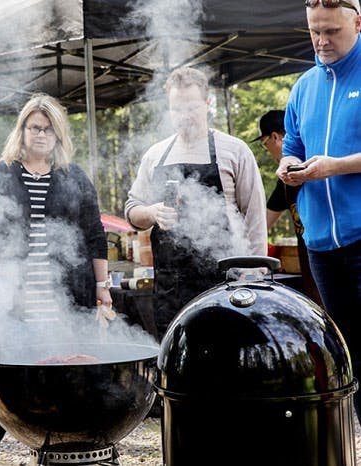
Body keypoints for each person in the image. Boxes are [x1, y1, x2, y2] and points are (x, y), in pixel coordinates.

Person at [0, 93, 111, 466]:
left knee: (69, 368)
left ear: (58, 135)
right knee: (1, 370)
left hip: (67, 294)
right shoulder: (0, 174)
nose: (41, 134)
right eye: (34, 127)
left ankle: (73, 442)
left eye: (48, 129)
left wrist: (102, 288)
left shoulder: (74, 176)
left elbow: (95, 234)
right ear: (22, 131)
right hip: (13, 294)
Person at [125, 67, 267, 339]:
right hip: (170, 289)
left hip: (225, 285)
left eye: (191, 107)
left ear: (207, 104)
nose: (184, 116)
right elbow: (132, 210)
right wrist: (152, 213)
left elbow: (254, 215)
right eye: (177, 109)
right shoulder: (155, 156)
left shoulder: (234, 150)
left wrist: (254, 275)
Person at [276, 0, 361, 424]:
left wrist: (336, 166)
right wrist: (287, 167)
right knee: (348, 352)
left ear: (358, 22)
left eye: (332, 31)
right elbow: (292, 146)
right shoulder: (304, 86)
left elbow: (330, 160)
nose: (322, 41)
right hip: (322, 247)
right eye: (314, 31)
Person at [252, 110, 322, 306]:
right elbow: (262, 223)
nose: (267, 150)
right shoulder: (284, 180)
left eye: (265, 144)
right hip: (311, 266)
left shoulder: (317, 164)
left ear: (275, 137)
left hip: (328, 258)